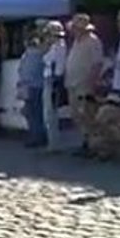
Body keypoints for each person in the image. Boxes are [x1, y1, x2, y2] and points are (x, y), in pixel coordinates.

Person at [64, 14, 104, 156]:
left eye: (76, 28)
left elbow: (97, 63)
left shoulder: (93, 41)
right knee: (76, 115)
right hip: (72, 83)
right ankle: (85, 141)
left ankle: (93, 144)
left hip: (84, 83)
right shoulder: (76, 41)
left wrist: (92, 82)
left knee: (87, 115)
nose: (74, 30)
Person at [42, 20, 68, 153]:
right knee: (48, 113)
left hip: (53, 80)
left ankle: (54, 144)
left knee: (51, 113)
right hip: (48, 77)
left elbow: (56, 64)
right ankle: (52, 142)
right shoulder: (53, 46)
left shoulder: (60, 47)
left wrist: (56, 81)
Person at [17, 30, 46, 147]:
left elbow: (26, 72)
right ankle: (37, 135)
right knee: (33, 112)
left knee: (33, 113)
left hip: (32, 86)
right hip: (33, 85)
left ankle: (37, 136)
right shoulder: (35, 54)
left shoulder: (32, 55)